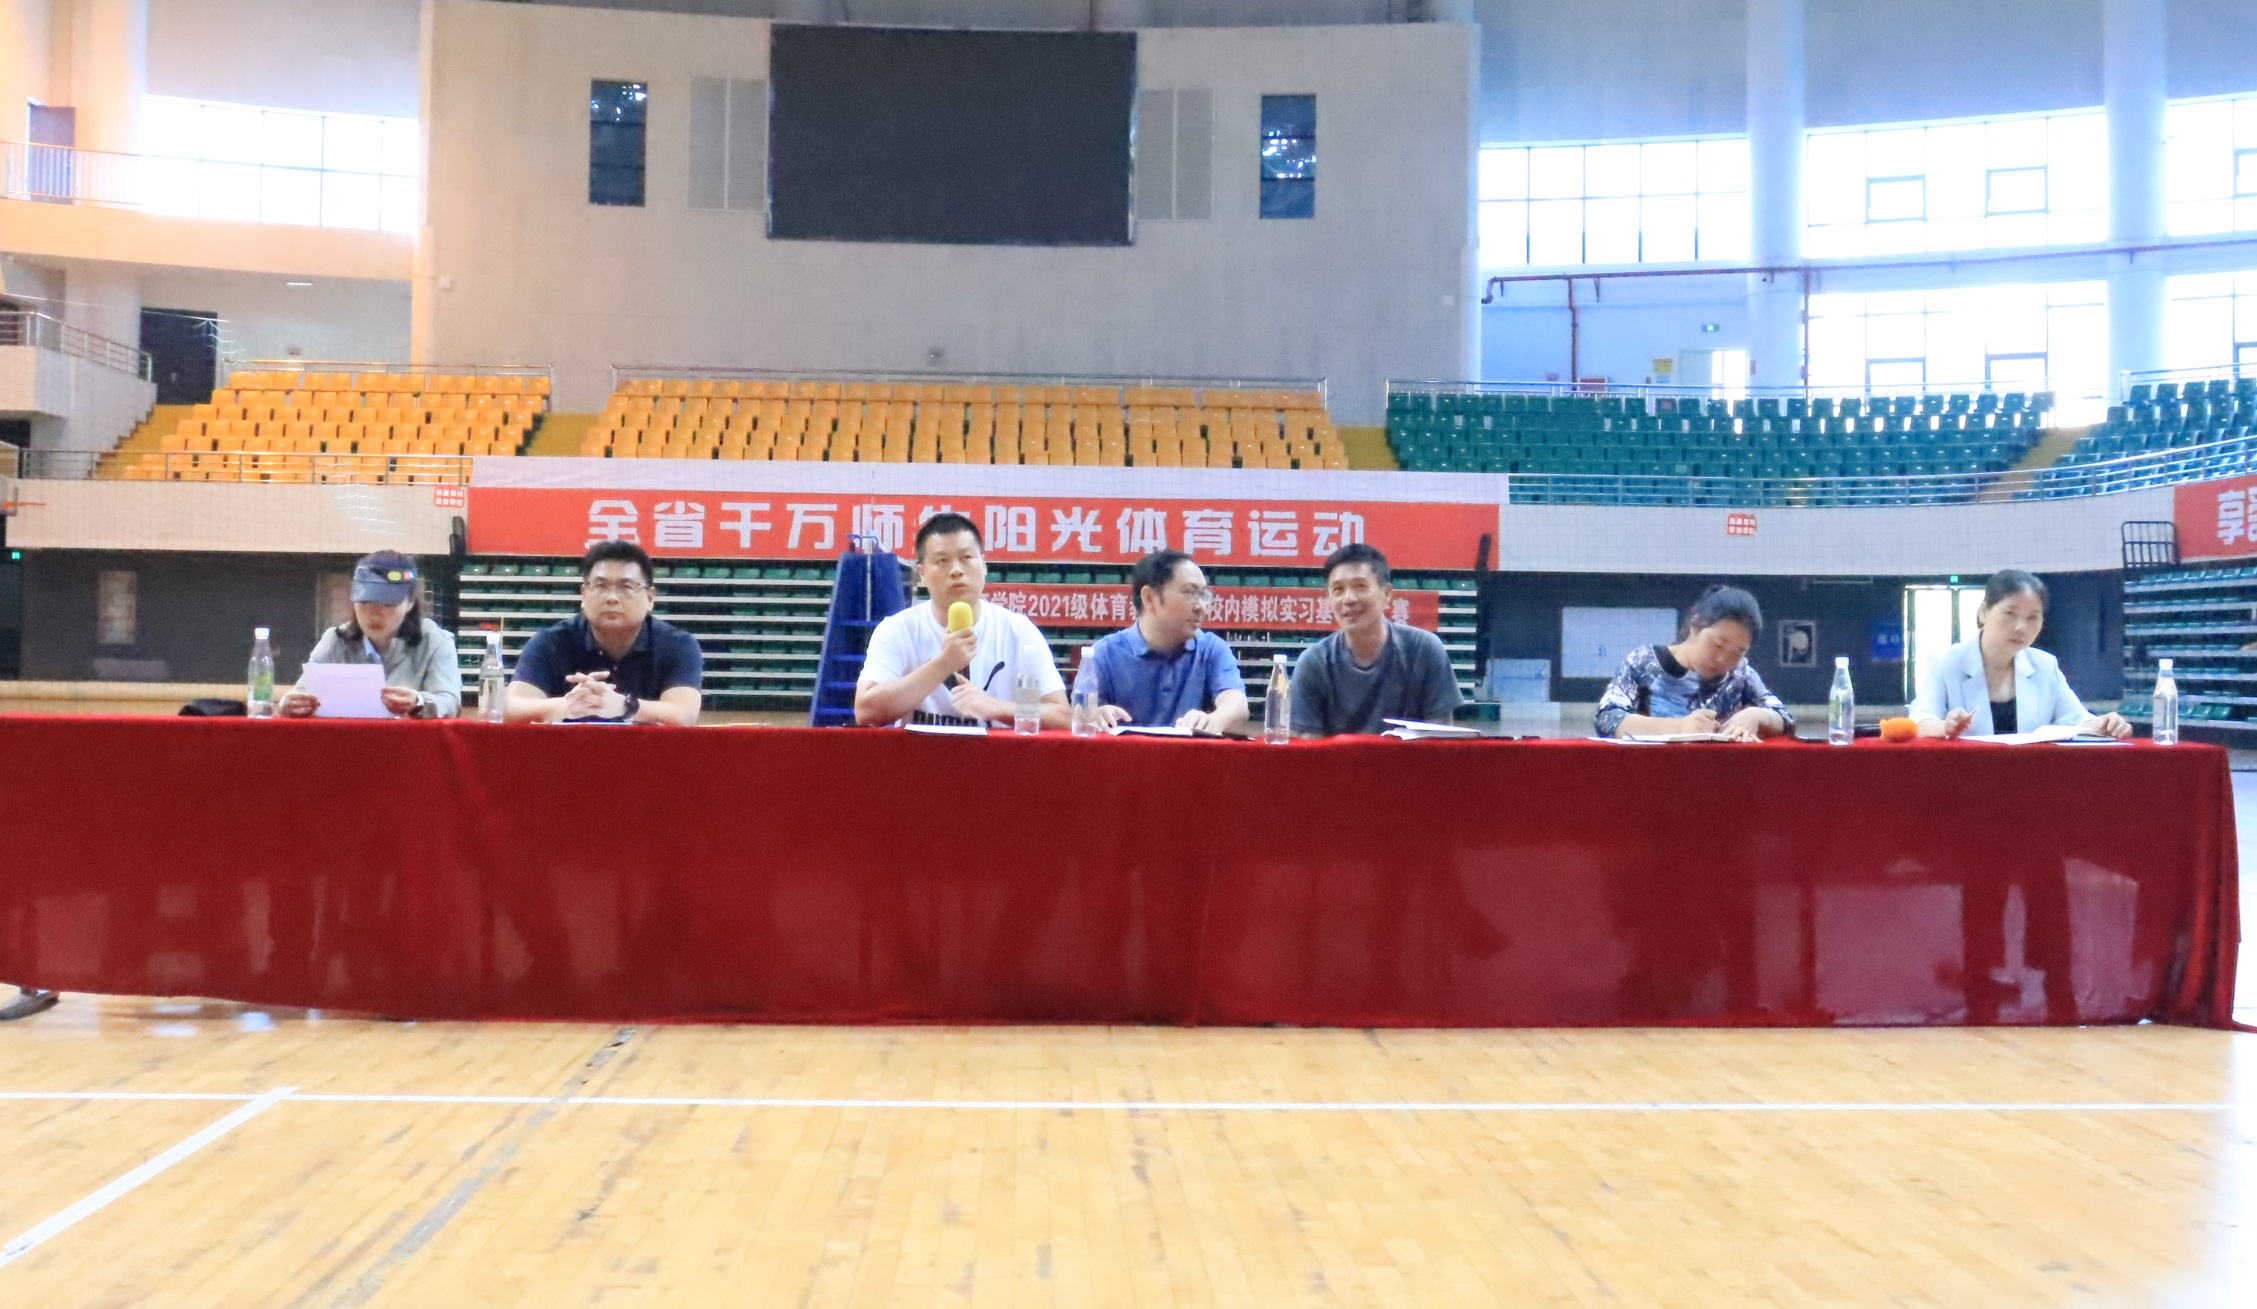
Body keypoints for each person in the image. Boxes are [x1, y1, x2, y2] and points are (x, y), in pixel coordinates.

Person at [856, 512, 1068, 728]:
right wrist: (942, 665)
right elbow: (865, 711)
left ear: (984, 565)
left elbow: (1061, 716)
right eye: (942, 561)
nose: (956, 570)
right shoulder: (898, 629)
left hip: (998, 750)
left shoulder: (1019, 631)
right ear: (922, 573)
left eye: (966, 558)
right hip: (921, 750)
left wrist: (996, 708)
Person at [1909, 568, 2133, 739]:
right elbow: (1920, 720)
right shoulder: (1944, 662)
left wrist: (2104, 724)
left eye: (2032, 617)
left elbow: (2076, 719)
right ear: (1984, 612)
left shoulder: (2045, 665)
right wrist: (1944, 727)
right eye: (2010, 614)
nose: (2020, 628)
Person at [506, 540, 703, 724]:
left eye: (626, 587)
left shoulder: (678, 645)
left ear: (650, 598)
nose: (612, 598)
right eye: (601, 586)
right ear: (584, 594)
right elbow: (511, 708)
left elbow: (684, 714)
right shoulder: (551, 642)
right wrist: (568, 705)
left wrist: (625, 706)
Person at [1290, 542, 1463, 737]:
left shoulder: (1425, 651)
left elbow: (1440, 741)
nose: (1348, 599)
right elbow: (1310, 748)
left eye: (1360, 586)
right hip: (1339, 759)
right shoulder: (1314, 664)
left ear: (1387, 594)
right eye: (1338, 590)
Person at [1595, 585, 1793, 741]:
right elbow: (1607, 717)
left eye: (1737, 653)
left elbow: (1784, 718)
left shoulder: (1740, 675)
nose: (1723, 659)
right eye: (1717, 644)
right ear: (1695, 624)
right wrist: (1679, 727)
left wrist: (1756, 716)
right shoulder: (1645, 662)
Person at [279, 551, 462, 718]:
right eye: (365, 602)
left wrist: (419, 703)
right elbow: (301, 692)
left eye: (387, 604)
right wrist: (288, 703)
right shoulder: (335, 640)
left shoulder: (435, 642)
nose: (375, 614)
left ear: (410, 602)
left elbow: (450, 701)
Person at [1084, 550, 1249, 733]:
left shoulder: (1210, 649)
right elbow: (1083, 711)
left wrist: (1213, 720)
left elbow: (1236, 703)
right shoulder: (1104, 654)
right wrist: (1096, 715)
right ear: (1150, 597)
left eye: (1203, 595)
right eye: (1189, 592)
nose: (1200, 607)